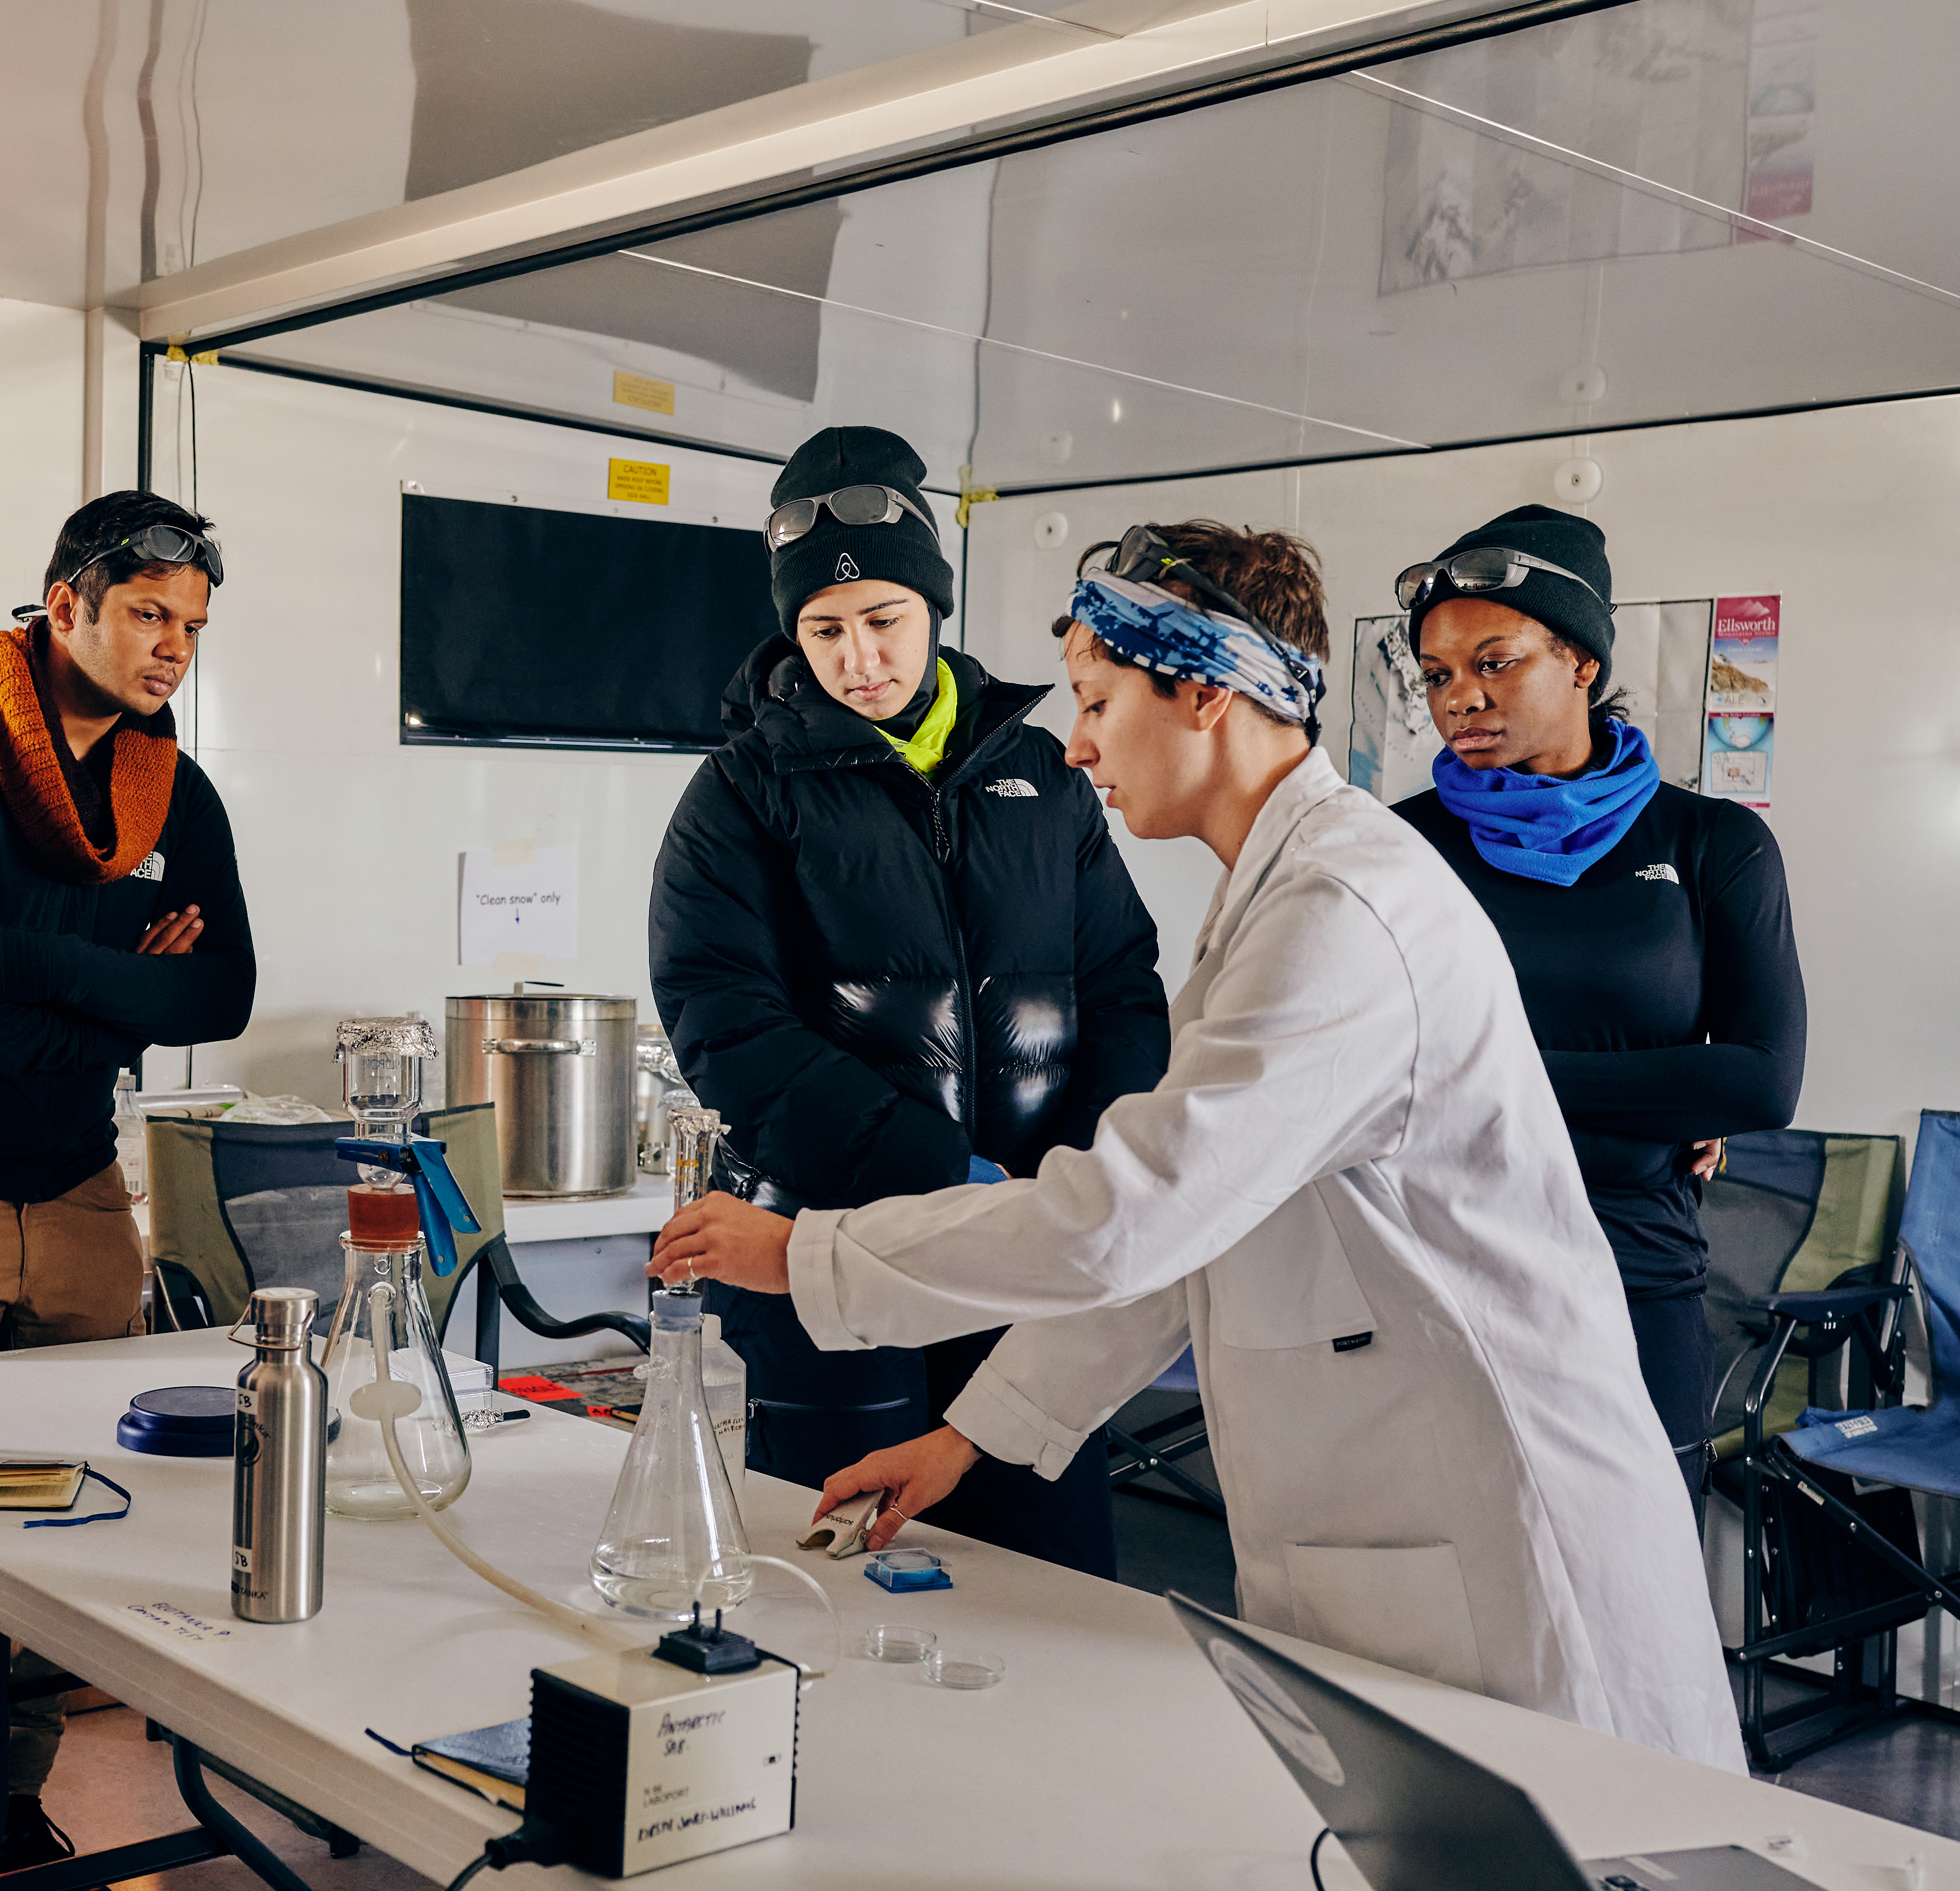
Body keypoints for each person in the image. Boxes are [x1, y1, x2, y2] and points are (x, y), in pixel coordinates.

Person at [649, 521, 1742, 1769]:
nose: (1078, 742)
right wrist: (975, 1437)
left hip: (1504, 1545)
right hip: (1397, 1530)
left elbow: (1132, 1218)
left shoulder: (1341, 911)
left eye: (1103, 700)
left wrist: (806, 1257)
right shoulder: (1277, 899)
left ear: (1208, 694)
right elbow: (1194, 1237)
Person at [647, 427, 1170, 1576]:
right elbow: (725, 1021)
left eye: (884, 620)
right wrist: (945, 1177)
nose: (858, 657)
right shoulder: (741, 791)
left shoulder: (1040, 778)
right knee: (831, 1574)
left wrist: (1079, 1174)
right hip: (836, 1247)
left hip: (1027, 1252)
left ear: (935, 607)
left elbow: (1125, 988)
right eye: (825, 630)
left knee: (1047, 1579)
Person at [0, 490, 255, 1888]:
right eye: (147, 613)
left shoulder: (170, 791)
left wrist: (56, 974)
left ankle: (6, 1813)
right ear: (63, 600)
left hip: (85, 1189)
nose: (171, 649)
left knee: (71, 1522)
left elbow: (226, 987)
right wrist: (133, 991)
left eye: (191, 625)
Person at [1391, 506, 1803, 1492]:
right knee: (1436, 1613)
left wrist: (1486, 1072)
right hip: (1440, 1261)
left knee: (1640, 1611)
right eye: (1440, 674)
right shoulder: (1397, 846)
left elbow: (1758, 1083)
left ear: (1581, 661)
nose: (1462, 698)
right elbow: (1376, 1066)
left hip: (1636, 1268)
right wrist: (1659, 1090)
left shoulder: (1712, 843)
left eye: (1496, 662)